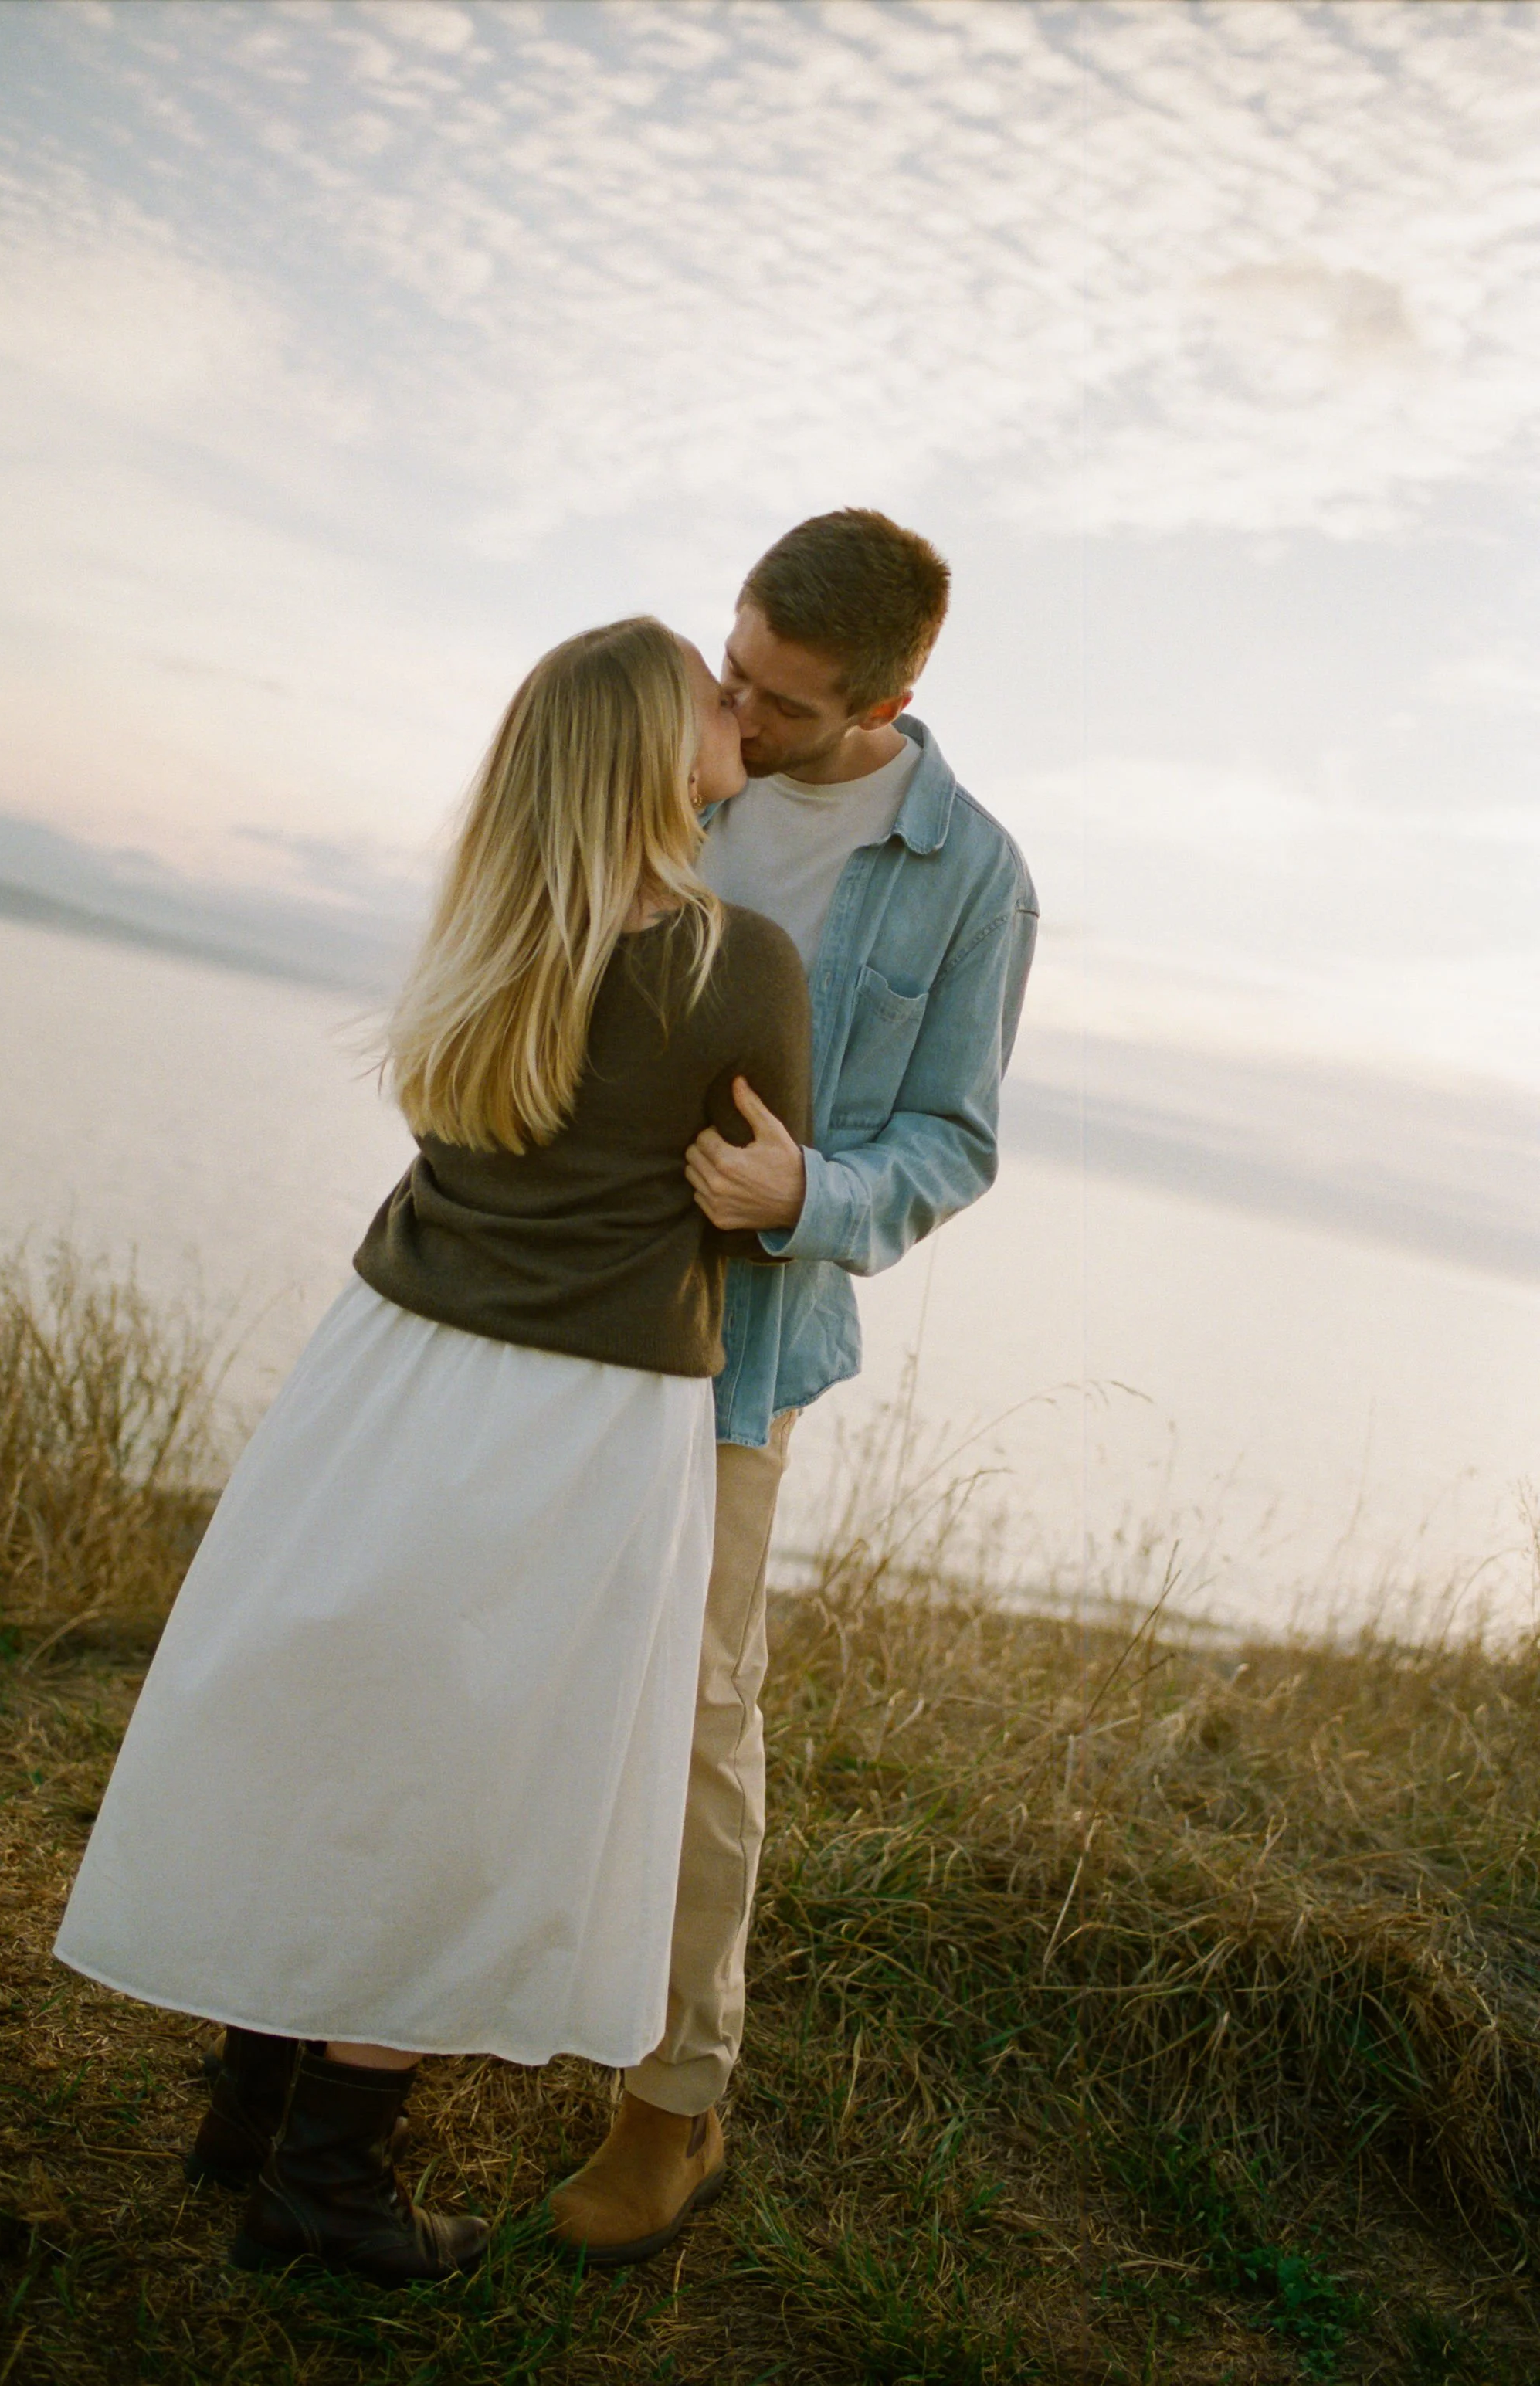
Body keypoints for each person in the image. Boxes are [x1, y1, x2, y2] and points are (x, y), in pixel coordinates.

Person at [53, 617, 812, 2287]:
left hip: (386, 1373)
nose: (733, 707)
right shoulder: (731, 959)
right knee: (475, 1785)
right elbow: (756, 1223)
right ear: (645, 748)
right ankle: (322, 2183)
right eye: (709, 688)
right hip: (579, 1412)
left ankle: (250, 2110)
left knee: (345, 1733)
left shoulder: (489, 927)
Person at [548, 512, 1038, 2265]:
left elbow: (954, 1141)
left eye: (780, 707)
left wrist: (805, 1197)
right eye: (732, 675)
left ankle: (674, 2105)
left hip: (742, 1339)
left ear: (891, 695)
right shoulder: (674, 754)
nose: (737, 726)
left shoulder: (973, 872)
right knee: (491, 1645)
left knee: (696, 1717)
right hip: (550, 1291)